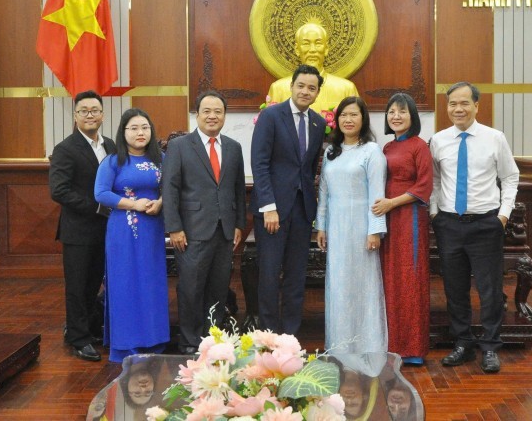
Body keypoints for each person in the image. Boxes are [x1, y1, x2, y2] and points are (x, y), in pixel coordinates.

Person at [429, 82, 519, 373]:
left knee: (489, 289)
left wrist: (503, 216)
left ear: (477, 106)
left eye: (465, 103)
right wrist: (435, 214)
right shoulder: (438, 140)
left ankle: (491, 346)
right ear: (447, 107)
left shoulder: (495, 138)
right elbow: (433, 181)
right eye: (453, 104)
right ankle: (463, 343)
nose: (458, 109)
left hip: (485, 224)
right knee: (454, 289)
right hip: (449, 225)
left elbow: (510, 177)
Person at [162, 90, 246, 355]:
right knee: (190, 288)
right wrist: (174, 227)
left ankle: (213, 339)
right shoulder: (179, 146)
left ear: (224, 116)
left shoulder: (233, 147)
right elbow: (170, 188)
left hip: (224, 231)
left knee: (219, 288)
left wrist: (239, 225)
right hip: (191, 230)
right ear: (197, 114)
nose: (212, 116)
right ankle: (188, 342)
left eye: (218, 111)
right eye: (206, 111)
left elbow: (237, 188)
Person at [251, 64, 326, 335]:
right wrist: (268, 207)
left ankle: (290, 336)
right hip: (273, 210)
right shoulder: (270, 116)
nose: (306, 91)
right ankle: (269, 336)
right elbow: (259, 164)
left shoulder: (318, 123)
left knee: (296, 276)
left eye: (312, 88)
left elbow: (309, 168)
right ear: (292, 87)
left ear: (317, 93)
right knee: (270, 275)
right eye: (301, 86)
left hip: (303, 210)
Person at [94, 108, 170, 363]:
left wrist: (161, 201)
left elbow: (173, 187)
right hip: (122, 232)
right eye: (134, 128)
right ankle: (127, 345)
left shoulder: (162, 159)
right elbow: (101, 193)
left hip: (152, 229)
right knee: (125, 283)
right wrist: (133, 204)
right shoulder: (113, 161)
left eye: (145, 128)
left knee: (151, 282)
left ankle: (155, 340)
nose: (140, 133)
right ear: (123, 132)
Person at [315, 96, 387, 353]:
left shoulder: (372, 151)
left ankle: (366, 344)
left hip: (361, 227)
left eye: (354, 115)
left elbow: (377, 194)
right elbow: (324, 191)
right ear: (337, 120)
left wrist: (375, 230)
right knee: (339, 284)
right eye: (344, 115)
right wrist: (321, 226)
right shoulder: (331, 152)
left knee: (362, 284)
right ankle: (340, 345)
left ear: (363, 119)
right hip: (336, 226)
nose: (348, 119)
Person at [49, 90, 115, 362]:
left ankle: (87, 328)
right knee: (77, 286)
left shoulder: (111, 146)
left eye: (95, 110)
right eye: (84, 111)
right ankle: (77, 338)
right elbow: (59, 190)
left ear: (102, 114)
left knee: (93, 284)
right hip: (78, 230)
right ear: (76, 116)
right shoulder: (65, 149)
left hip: (106, 230)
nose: (90, 115)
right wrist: (97, 207)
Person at [370, 93, 433, 366]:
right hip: (387, 219)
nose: (396, 116)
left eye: (402, 112)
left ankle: (413, 348)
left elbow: (424, 187)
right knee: (391, 278)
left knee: (411, 277)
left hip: (409, 218)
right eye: (392, 111)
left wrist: (392, 203)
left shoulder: (420, 146)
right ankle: (392, 343)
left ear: (412, 117)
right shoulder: (385, 148)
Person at [267, 22, 359, 112]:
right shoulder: (278, 88)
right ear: (297, 49)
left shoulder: (346, 89)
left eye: (318, 43)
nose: (312, 50)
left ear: (326, 48)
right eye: (306, 44)